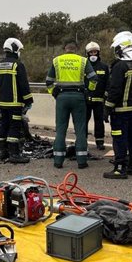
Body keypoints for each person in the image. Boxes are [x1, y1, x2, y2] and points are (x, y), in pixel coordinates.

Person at [46, 40, 98, 169]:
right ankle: (81, 161)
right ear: (76, 49)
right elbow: (94, 78)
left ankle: (58, 161)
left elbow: (49, 81)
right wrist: (88, 91)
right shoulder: (83, 61)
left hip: (62, 98)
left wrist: (54, 92)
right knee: (80, 129)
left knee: (61, 130)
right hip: (78, 97)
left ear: (65, 48)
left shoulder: (57, 60)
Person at [103, 31, 132, 179]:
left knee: (119, 139)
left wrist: (107, 107)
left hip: (120, 111)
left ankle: (119, 168)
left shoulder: (120, 66)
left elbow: (115, 89)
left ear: (121, 48)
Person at [0, 37, 34, 164]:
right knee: (14, 126)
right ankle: (14, 154)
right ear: (15, 49)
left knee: (4, 125)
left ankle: (3, 152)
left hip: (2, 103)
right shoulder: (18, 64)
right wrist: (29, 100)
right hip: (15, 103)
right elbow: (24, 85)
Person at [84, 41, 109, 150]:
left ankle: (100, 141)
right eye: (91, 52)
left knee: (99, 121)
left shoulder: (104, 67)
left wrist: (106, 95)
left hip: (99, 100)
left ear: (98, 53)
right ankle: (82, 140)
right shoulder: (84, 66)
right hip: (86, 99)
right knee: (83, 121)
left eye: (95, 52)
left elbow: (108, 82)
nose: (93, 54)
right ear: (87, 53)